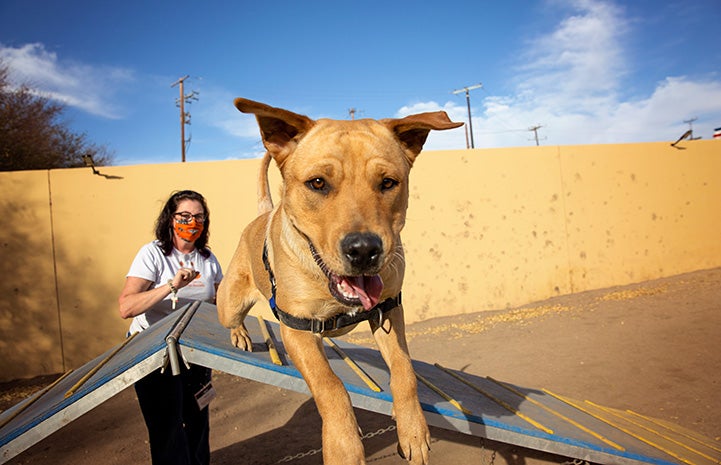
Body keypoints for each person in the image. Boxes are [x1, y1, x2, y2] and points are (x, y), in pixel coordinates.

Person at [118, 190, 223, 465]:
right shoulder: (153, 253)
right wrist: (172, 286)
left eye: (199, 217)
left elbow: (221, 301)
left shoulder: (208, 258)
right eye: (185, 216)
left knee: (198, 419)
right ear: (170, 218)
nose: (192, 223)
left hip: (195, 352)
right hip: (153, 353)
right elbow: (126, 307)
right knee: (167, 427)